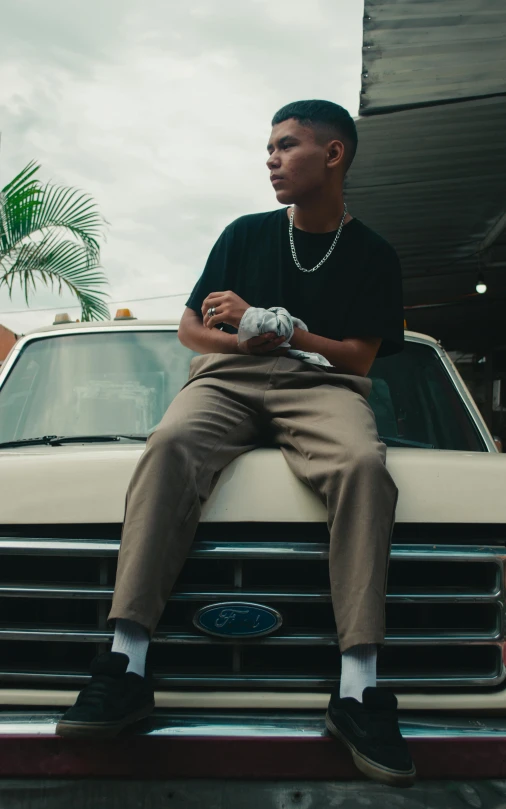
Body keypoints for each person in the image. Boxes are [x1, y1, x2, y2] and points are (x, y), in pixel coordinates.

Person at [56, 99, 415, 787]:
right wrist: (241, 335)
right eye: (269, 148)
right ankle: (124, 664)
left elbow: (359, 360)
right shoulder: (245, 233)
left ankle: (359, 689)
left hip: (322, 386)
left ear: (333, 154)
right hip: (226, 378)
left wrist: (286, 330)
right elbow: (190, 328)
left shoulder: (373, 253)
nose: (271, 159)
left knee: (366, 466)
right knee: (166, 447)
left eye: (287, 146)